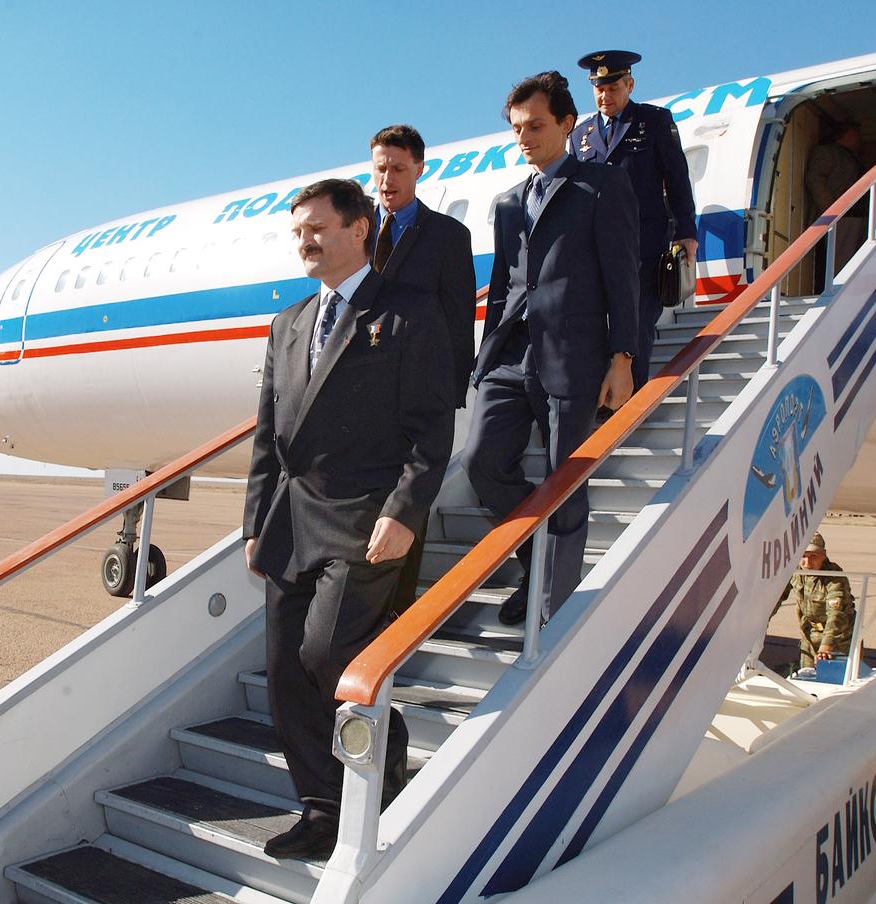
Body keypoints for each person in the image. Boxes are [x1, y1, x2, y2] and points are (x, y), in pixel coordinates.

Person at [242, 178, 454, 860]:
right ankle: (320, 806)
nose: (305, 240)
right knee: (282, 671)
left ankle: (383, 756)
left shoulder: (410, 312)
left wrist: (406, 510)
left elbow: (431, 431)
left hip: (365, 519)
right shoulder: (289, 322)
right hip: (291, 520)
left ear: (360, 229)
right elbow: (268, 433)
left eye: (318, 228)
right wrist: (255, 522)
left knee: (326, 653)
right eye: (298, 230)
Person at [463, 72, 639, 626]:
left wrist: (623, 357)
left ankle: (552, 610)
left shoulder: (601, 185)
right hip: (512, 354)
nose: (525, 137)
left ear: (567, 123)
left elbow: (622, 276)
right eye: (517, 129)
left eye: (536, 125)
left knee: (566, 483)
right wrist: (486, 354)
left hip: (574, 355)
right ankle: (534, 557)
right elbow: (506, 282)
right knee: (482, 462)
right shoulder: (509, 202)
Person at [368, 123, 477, 618]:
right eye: (380, 168)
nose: (387, 178)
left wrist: (452, 390)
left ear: (418, 169)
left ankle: (399, 616)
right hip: (363, 393)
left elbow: (457, 316)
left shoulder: (448, 237)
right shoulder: (359, 230)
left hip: (418, 394)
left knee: (409, 504)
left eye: (397, 168)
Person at [569, 50, 697, 391]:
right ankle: (601, 404)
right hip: (595, 250)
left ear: (630, 84)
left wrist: (686, 231)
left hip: (645, 245)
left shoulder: (653, 122)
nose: (604, 95)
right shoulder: (580, 136)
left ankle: (629, 405)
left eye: (612, 88)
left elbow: (677, 178)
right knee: (599, 327)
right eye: (598, 88)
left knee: (636, 326)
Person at [778, 532, 856, 669]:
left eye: (813, 556)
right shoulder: (796, 570)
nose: (807, 563)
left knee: (834, 681)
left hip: (838, 639)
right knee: (806, 677)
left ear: (823, 554)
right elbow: (776, 598)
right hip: (810, 635)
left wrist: (826, 646)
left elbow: (836, 614)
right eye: (803, 556)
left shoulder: (834, 577)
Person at [807, 122, 867, 281]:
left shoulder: (851, 157)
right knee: (838, 264)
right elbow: (814, 178)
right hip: (839, 218)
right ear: (845, 135)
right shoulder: (828, 152)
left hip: (854, 217)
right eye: (855, 135)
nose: (858, 139)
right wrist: (831, 210)